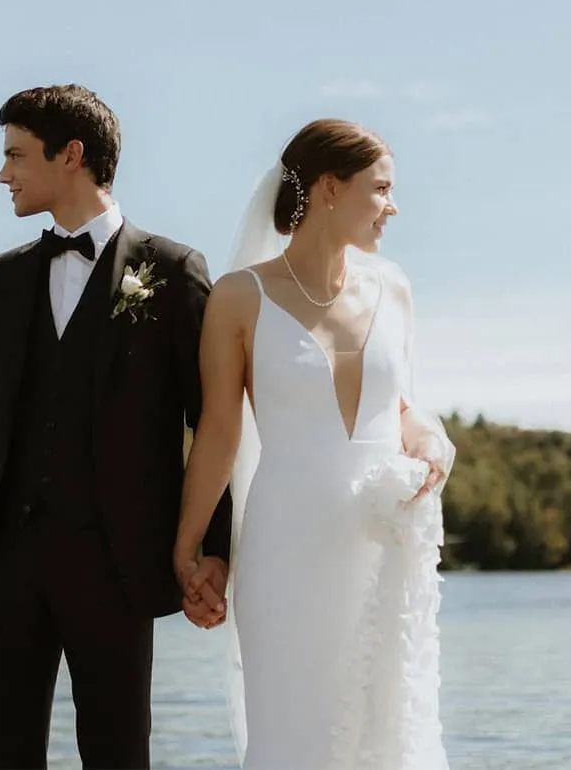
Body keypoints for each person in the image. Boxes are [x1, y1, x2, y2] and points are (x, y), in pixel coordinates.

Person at [0, 83, 233, 769]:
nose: (2, 173)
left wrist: (210, 550)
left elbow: (212, 421)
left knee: (119, 753)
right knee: (5, 755)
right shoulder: (3, 278)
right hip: (3, 567)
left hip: (119, 566)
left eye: (15, 155)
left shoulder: (171, 270)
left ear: (70, 155)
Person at [173, 118, 456, 769]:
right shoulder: (239, 297)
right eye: (381, 189)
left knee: (385, 736)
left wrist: (434, 447)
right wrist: (187, 550)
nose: (393, 206)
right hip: (285, 555)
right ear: (330, 187)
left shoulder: (396, 288)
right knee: (293, 736)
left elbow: (408, 411)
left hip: (382, 549)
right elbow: (218, 432)